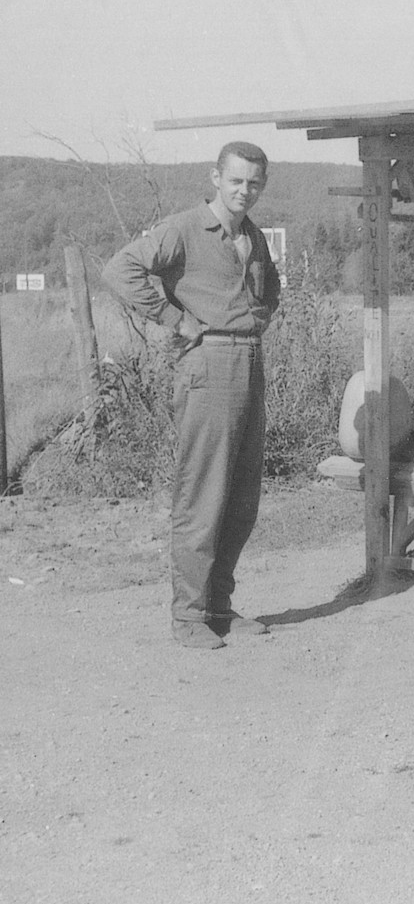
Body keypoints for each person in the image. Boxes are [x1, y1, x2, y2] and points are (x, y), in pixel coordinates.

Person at [101, 141, 281, 649]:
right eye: (236, 180)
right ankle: (188, 616)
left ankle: (219, 607)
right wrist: (175, 319)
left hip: (249, 361)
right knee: (203, 492)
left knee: (241, 497)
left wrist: (258, 318)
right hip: (208, 365)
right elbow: (120, 270)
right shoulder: (183, 228)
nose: (245, 190)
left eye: (254, 182)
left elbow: (271, 292)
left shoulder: (254, 236)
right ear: (215, 178)